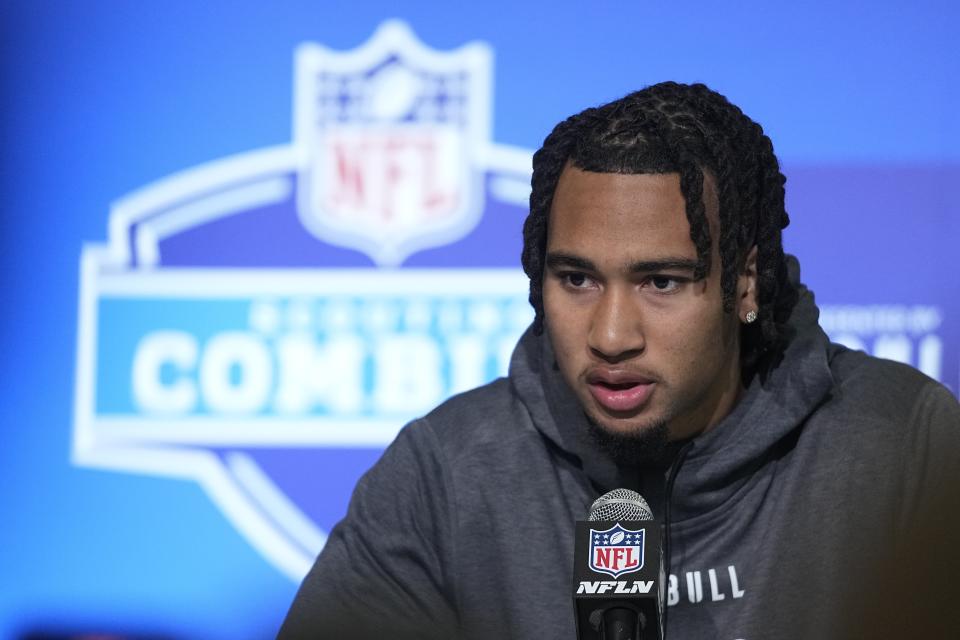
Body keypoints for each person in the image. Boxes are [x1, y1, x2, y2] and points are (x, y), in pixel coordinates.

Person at [277, 82, 960, 639]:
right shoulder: (447, 473)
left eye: (661, 282)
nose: (609, 336)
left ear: (744, 284)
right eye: (576, 279)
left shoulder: (902, 446)